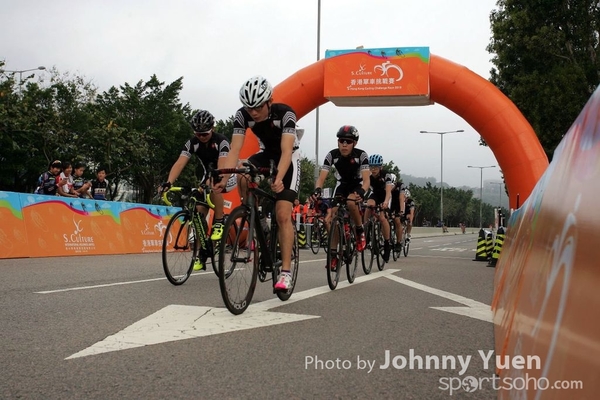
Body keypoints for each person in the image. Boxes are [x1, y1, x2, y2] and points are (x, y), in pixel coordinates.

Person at [217, 75, 300, 291]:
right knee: (243, 174)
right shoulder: (242, 115)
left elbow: (286, 151)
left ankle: (286, 272)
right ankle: (255, 215)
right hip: (265, 154)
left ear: (269, 101)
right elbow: (235, 149)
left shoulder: (285, 114)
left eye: (258, 107)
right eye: (249, 107)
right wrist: (224, 178)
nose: (253, 112)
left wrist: (278, 178)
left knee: (282, 214)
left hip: (288, 158)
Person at [160, 110, 234, 257]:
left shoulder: (221, 141)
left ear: (212, 129)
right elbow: (180, 163)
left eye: (205, 134)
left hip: (227, 173)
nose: (201, 137)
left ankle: (219, 221)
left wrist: (213, 179)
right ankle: (201, 252)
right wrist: (168, 182)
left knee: (214, 186)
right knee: (198, 212)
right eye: (198, 134)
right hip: (207, 175)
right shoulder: (192, 143)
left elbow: (221, 166)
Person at [312, 125, 370, 271]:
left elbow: (367, 181)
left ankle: (359, 231)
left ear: (354, 143)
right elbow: (321, 178)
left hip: (357, 184)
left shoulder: (361, 155)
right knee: (334, 215)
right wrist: (317, 190)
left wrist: (362, 192)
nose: (344, 144)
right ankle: (333, 255)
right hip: (342, 185)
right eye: (341, 141)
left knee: (351, 202)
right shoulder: (332, 155)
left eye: (348, 141)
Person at [363, 154, 396, 262]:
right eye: (371, 167)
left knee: (382, 217)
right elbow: (365, 188)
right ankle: (366, 231)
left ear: (380, 167)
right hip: (375, 194)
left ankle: (387, 243)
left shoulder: (387, 175)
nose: (373, 169)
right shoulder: (368, 175)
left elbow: (388, 191)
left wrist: (385, 202)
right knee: (368, 206)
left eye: (376, 167)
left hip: (385, 195)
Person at [389, 178, 406, 251]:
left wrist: (401, 211)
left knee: (397, 220)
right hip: (390, 202)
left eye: (392, 186)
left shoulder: (401, 186)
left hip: (398, 203)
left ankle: (398, 242)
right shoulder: (386, 184)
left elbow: (401, 199)